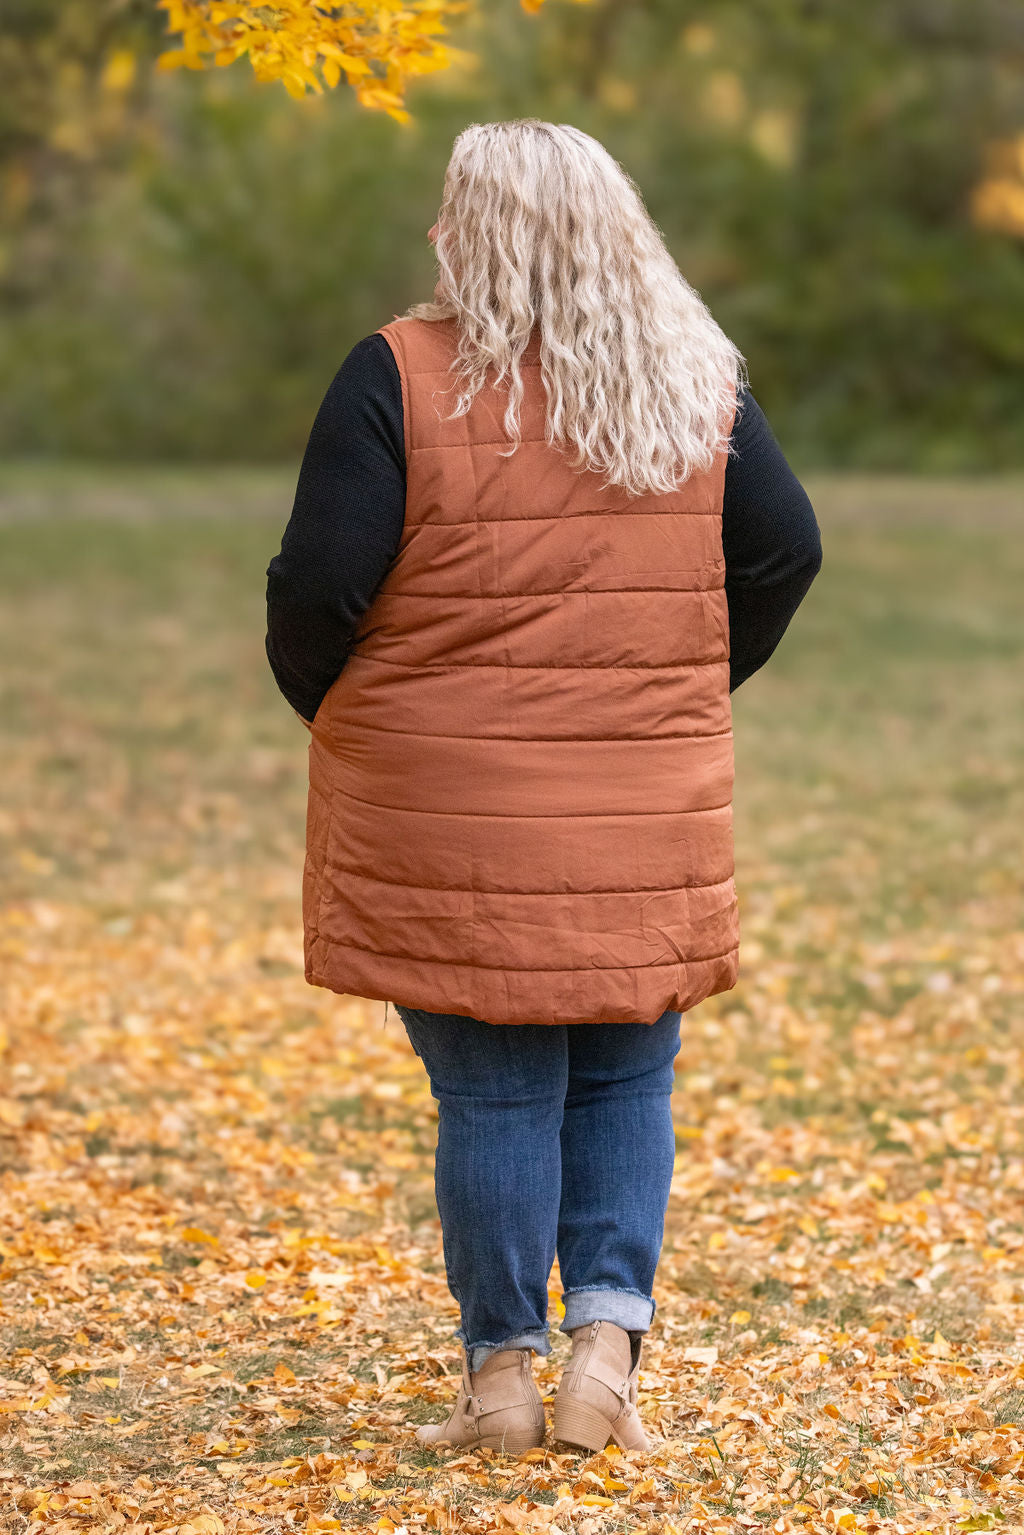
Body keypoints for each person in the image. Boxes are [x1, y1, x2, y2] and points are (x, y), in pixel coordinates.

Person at [265, 119, 822, 1455]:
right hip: (642, 796)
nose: (434, 232)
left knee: (494, 1091)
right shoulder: (693, 377)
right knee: (629, 1076)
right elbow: (785, 552)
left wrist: (353, 712)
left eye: (451, 212)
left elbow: (317, 588)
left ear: (477, 234)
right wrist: (670, 689)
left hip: (448, 802)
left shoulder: (397, 375)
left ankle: (502, 1381)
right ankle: (605, 1358)